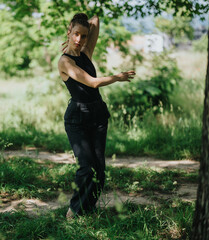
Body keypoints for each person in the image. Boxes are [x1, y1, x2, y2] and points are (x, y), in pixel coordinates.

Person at [57, 13, 136, 219]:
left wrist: (83, 23)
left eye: (83, 36)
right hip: (77, 118)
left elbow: (95, 19)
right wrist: (117, 77)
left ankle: (87, 209)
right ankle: (73, 211)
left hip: (98, 115)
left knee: (99, 171)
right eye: (75, 34)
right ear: (69, 32)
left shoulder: (86, 52)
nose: (79, 40)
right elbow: (92, 82)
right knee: (86, 166)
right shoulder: (65, 61)